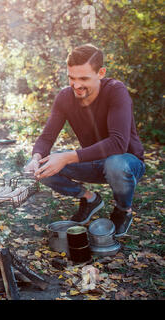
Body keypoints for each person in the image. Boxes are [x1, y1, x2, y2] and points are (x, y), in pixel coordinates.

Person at [24, 44, 145, 237]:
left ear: (101, 73)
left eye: (84, 79)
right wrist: (35, 157)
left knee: (115, 163)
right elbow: (47, 137)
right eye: (72, 78)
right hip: (94, 162)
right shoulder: (65, 97)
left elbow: (118, 144)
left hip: (127, 163)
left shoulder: (116, 91)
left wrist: (66, 157)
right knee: (40, 166)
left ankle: (123, 210)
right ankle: (90, 199)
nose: (76, 85)